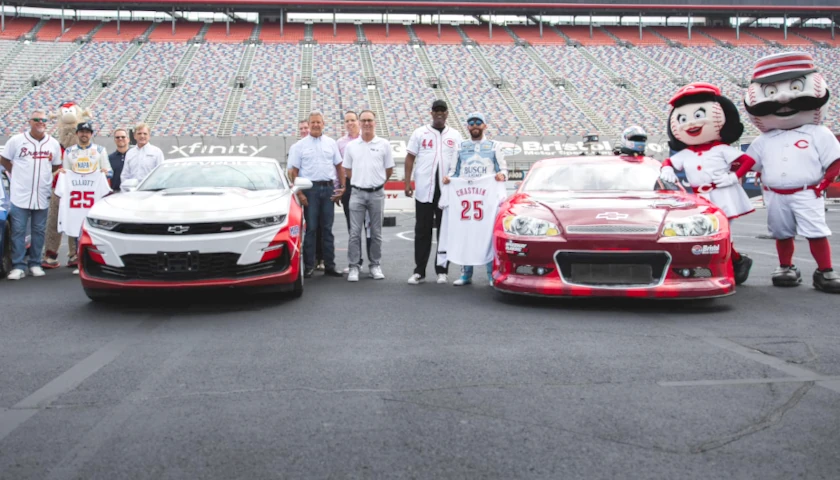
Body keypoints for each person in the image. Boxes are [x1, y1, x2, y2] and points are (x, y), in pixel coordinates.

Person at [743, 51, 840, 293]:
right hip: (775, 194)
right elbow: (746, 162)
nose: (784, 99)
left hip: (808, 191)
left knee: (816, 232)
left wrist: (825, 182)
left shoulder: (818, 133)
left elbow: (835, 161)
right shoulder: (765, 139)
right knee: (781, 232)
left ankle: (825, 270)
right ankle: (786, 267)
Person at [659, 82, 755, 285]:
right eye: (682, 119)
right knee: (708, 234)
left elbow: (748, 161)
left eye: (698, 115)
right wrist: (666, 168)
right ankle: (736, 262)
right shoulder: (685, 153)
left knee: (721, 233)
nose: (690, 124)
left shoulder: (721, 149)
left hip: (723, 193)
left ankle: (731, 266)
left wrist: (734, 176)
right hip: (701, 198)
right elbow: (669, 162)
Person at [442, 112, 507, 286]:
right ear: (467, 126)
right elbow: (454, 171)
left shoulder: (494, 146)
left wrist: (502, 175)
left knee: (486, 236)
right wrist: (449, 179)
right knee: (466, 234)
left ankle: (490, 274)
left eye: (479, 123)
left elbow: (504, 169)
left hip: (486, 199)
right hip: (466, 197)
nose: (475, 126)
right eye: (471, 123)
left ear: (485, 126)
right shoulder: (461, 146)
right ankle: (466, 274)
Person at [404, 99, 462, 285]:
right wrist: (407, 182)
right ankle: (419, 271)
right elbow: (410, 158)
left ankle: (442, 270)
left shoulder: (455, 135)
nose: (439, 113)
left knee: (444, 232)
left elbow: (460, 163)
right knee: (422, 231)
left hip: (446, 192)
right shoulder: (420, 133)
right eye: (436, 110)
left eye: (442, 111)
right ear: (431, 113)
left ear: (447, 113)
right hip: (424, 190)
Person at [0, 110, 63, 280]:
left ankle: (35, 263)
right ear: (30, 121)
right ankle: (18, 266)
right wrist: (16, 172)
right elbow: (4, 159)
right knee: (18, 231)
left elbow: (56, 166)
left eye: (43, 120)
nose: (40, 122)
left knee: (38, 230)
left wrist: (45, 178)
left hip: (42, 194)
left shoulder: (53, 143)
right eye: (37, 120)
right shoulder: (17, 140)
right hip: (20, 193)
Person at [42, 121, 111, 270]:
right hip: (76, 195)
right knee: (74, 221)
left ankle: (92, 256)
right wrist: (61, 174)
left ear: (91, 134)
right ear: (77, 133)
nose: (84, 134)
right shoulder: (69, 152)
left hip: (93, 194)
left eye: (87, 132)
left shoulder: (100, 150)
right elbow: (66, 173)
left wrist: (104, 173)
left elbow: (109, 171)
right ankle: (74, 255)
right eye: (82, 131)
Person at [287, 110, 345, 278]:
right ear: (309, 124)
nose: (316, 125)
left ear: (323, 124)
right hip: (310, 191)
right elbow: (293, 172)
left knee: (327, 229)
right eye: (313, 122)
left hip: (328, 190)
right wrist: (300, 194)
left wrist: (341, 187)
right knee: (311, 229)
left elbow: (339, 166)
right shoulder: (299, 146)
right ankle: (309, 266)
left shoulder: (331, 143)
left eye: (319, 122)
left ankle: (330, 266)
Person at [343, 110, 394, 282]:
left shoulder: (384, 144)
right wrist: (360, 182)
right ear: (359, 122)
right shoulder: (351, 146)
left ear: (375, 122)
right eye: (363, 120)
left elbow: (389, 169)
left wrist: (376, 182)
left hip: (376, 194)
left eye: (369, 120)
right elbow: (348, 170)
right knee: (354, 233)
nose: (366, 123)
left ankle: (375, 265)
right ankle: (354, 266)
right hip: (357, 193)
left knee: (376, 233)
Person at [337, 110, 370, 273]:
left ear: (358, 122)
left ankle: (374, 263)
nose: (350, 123)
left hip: (367, 184)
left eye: (352, 120)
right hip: (349, 186)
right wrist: (340, 187)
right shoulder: (340, 143)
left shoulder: (367, 140)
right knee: (353, 228)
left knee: (370, 228)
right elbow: (338, 167)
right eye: (347, 121)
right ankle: (355, 262)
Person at [120, 123, 164, 191]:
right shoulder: (130, 153)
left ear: (149, 136)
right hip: (132, 192)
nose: (142, 136)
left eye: (145, 133)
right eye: (139, 133)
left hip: (151, 191)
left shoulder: (157, 152)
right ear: (134, 136)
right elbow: (125, 175)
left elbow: (161, 175)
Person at [108, 128, 130, 192]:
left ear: (128, 139)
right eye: (117, 137)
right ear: (114, 140)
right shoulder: (109, 158)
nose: (120, 139)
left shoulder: (134, 156)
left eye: (123, 137)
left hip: (132, 192)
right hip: (115, 193)